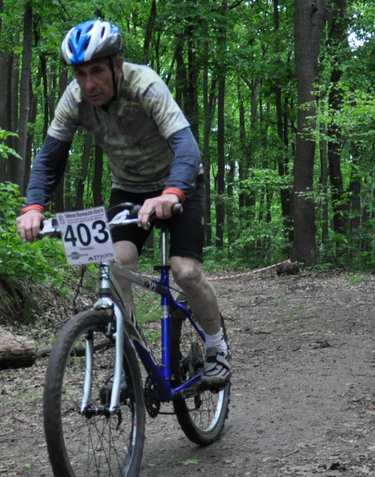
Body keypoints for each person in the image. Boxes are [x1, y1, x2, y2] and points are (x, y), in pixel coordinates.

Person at [16, 20, 230, 379]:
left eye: (97, 71)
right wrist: (34, 206)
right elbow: (50, 157)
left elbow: (186, 147)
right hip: (129, 188)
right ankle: (131, 355)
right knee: (116, 263)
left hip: (180, 182)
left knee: (186, 272)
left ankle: (216, 345)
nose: (89, 84)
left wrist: (171, 192)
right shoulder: (73, 98)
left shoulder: (145, 84)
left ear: (117, 66)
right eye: (81, 73)